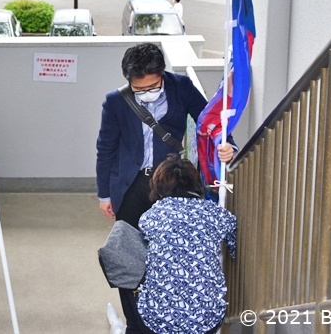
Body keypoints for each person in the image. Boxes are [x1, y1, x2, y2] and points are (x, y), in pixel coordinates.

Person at [95, 42, 235, 333]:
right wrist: (104, 194)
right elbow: (105, 150)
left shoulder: (181, 87)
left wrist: (228, 146)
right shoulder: (115, 101)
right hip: (131, 184)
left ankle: (170, 312)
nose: (146, 93)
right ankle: (136, 324)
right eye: (139, 89)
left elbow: (209, 122)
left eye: (152, 86)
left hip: (169, 181)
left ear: (162, 74)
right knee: (125, 253)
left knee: (172, 251)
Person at [136, 155, 236, 334]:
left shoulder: (150, 217)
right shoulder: (218, 215)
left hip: (158, 319)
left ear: (159, 188)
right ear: (196, 184)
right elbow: (235, 250)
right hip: (206, 319)